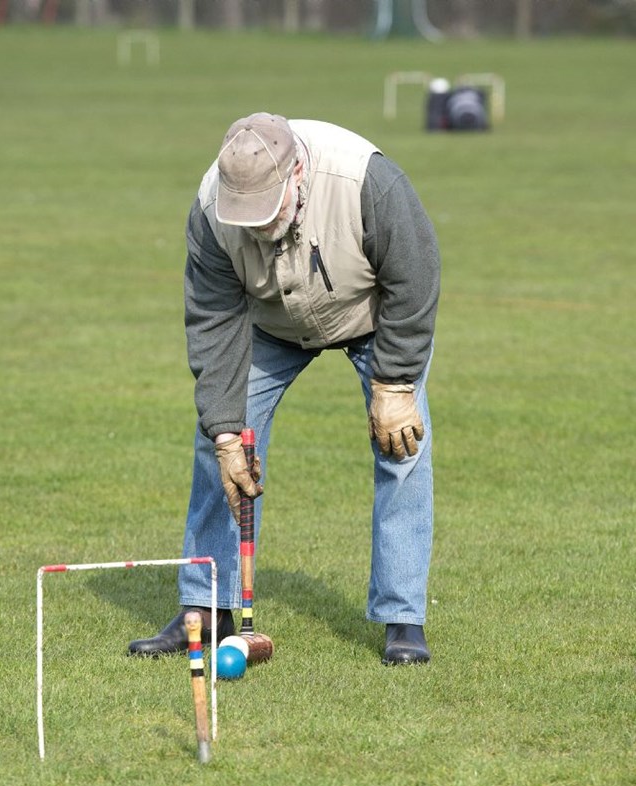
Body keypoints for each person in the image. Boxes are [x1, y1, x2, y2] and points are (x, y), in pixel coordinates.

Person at [128, 113, 440, 665]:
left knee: (403, 445)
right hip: (271, 324)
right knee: (221, 443)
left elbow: (414, 277)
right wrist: (226, 433)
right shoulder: (210, 210)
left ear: (298, 173)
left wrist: (394, 383)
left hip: (371, 316)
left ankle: (402, 618)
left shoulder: (366, 182)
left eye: (266, 210)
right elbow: (213, 320)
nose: (256, 226)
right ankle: (206, 607)